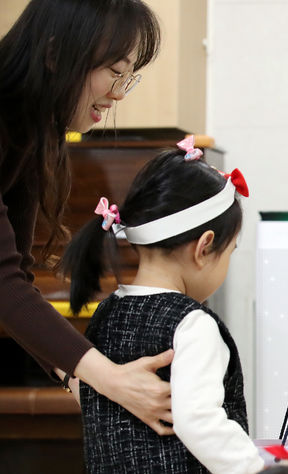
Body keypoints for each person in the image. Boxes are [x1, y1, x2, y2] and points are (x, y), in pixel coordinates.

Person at [0, 0, 175, 434]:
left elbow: (15, 272)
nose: (118, 94)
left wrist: (78, 378)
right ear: (56, 55)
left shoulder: (30, 127)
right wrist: (109, 378)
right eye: (115, 73)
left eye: (127, 78)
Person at [60, 140, 264, 473]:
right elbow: (199, 422)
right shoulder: (193, 324)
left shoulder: (106, 312)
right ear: (204, 247)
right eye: (230, 252)